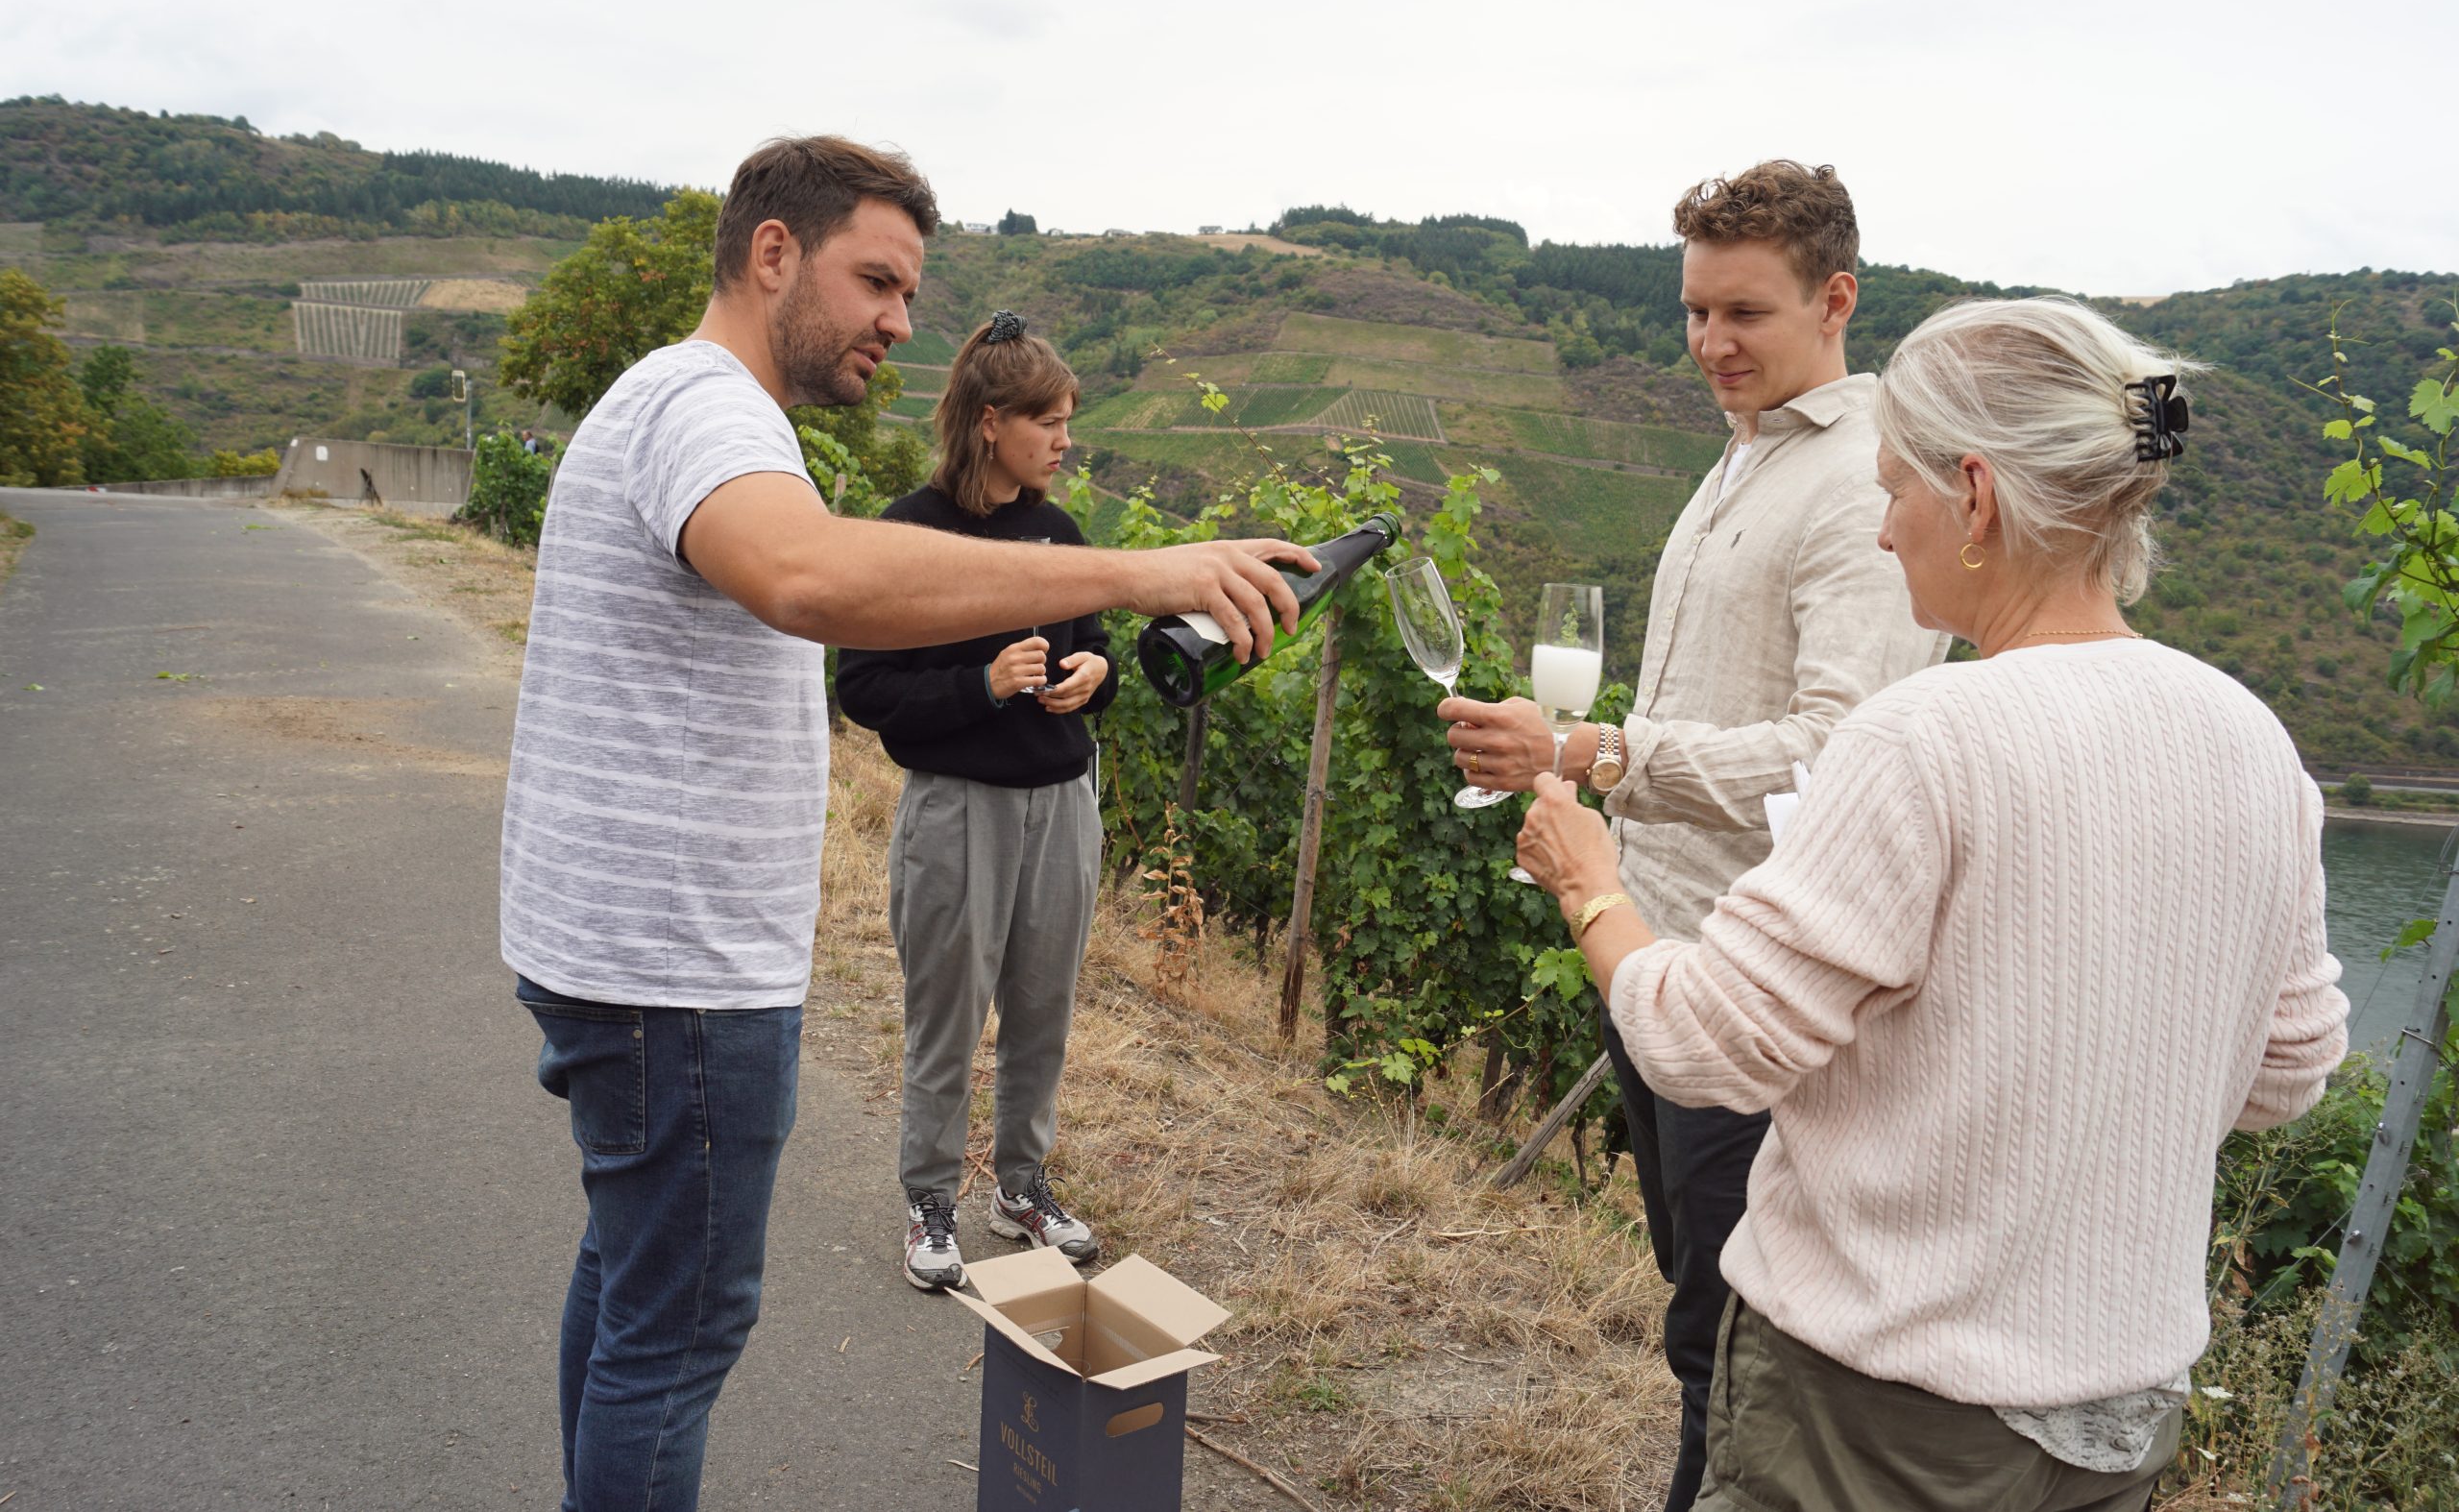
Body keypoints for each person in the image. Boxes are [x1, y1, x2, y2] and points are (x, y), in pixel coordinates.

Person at [499, 135, 1313, 1512]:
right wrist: (1116, 571)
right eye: (875, 278)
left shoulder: (680, 401)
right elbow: (810, 573)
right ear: (773, 253)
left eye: (909, 288)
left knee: (633, 1284)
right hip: (676, 973)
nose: (899, 318)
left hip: (626, 950)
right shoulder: (709, 409)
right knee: (678, 1327)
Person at [1513, 295, 2350, 1512]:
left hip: (1876, 1410)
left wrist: (1592, 886)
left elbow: (1703, 1043)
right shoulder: (2251, 738)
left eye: (1892, 490)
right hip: (2115, 1421)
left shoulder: (1925, 735)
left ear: (1975, 495)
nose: (1880, 533)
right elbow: (2285, 1075)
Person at [1438, 160, 1945, 1511]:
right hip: (1656, 950)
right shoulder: (1750, 447)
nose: (1712, 343)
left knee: (1728, 1344)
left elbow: (1846, 750)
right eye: (1694, 312)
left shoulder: (1861, 479)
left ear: (1836, 298)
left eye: (1746, 313)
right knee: (1696, 1307)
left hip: (1754, 979)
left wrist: (1595, 751)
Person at [836, 311, 1113, 1291]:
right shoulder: (908, 532)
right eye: (1049, 421)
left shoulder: (1057, 532)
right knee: (946, 1012)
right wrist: (981, 686)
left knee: (1043, 1006)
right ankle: (929, 1198)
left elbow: (1095, 651)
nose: (1065, 440)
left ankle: (1023, 1186)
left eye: (1068, 420)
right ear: (991, 421)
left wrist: (1095, 674)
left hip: (1062, 803)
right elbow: (861, 689)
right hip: (958, 807)